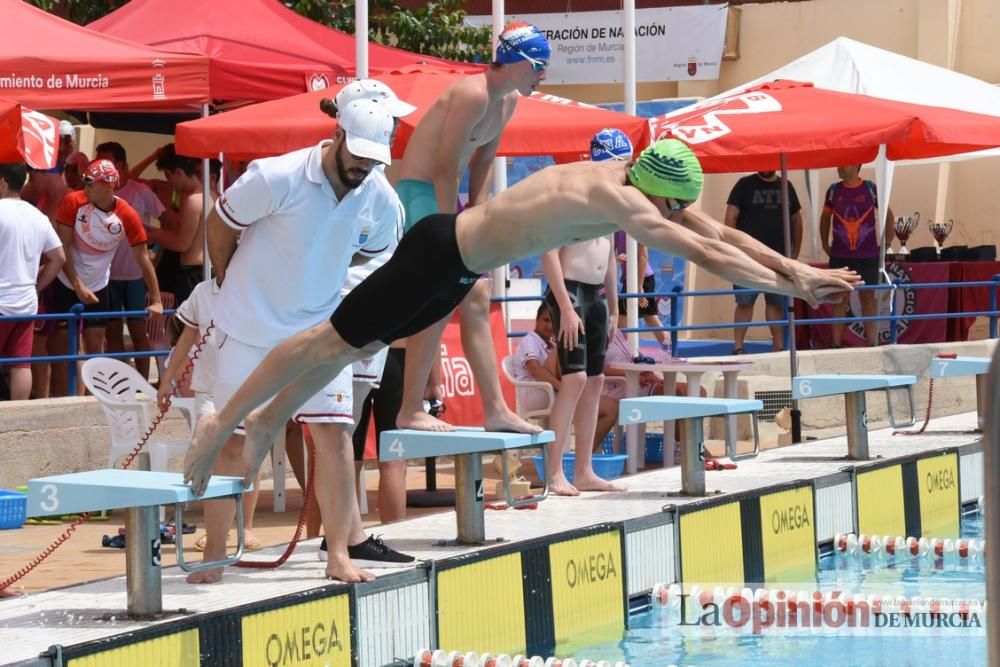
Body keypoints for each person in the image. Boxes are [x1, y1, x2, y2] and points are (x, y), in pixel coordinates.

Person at [183, 138, 862, 500]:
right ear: (652, 192)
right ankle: (227, 420)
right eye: (668, 208)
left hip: (457, 269)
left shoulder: (634, 175)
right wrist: (800, 284)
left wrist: (801, 272)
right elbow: (706, 248)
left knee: (340, 351)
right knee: (324, 340)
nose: (671, 218)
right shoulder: (619, 199)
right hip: (437, 252)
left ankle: (268, 417)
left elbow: (716, 232)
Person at [188, 96, 410, 585]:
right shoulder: (276, 176)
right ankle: (216, 554)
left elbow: (371, 255)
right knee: (230, 440)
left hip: (317, 333)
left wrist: (317, 275)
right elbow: (220, 225)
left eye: (375, 158)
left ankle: (337, 554)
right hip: (248, 329)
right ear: (335, 138)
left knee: (333, 438)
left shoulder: (377, 193)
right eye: (359, 155)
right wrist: (227, 278)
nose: (365, 166)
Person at [387, 22, 549, 434]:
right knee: (444, 292)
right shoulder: (472, 93)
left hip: (446, 197)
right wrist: (449, 232)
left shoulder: (506, 101)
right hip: (416, 191)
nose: (543, 75)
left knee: (477, 293)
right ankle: (410, 408)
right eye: (538, 66)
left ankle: (494, 409)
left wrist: (476, 213)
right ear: (515, 61)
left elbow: (481, 162)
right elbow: (443, 166)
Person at [540, 129, 629, 496]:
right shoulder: (572, 197)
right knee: (574, 379)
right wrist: (564, 305)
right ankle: (554, 471)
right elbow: (547, 251)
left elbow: (607, 255)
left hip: (596, 298)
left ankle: (585, 470)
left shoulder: (608, 201)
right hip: (570, 294)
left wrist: (615, 305)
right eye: (620, 165)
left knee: (594, 381)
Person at [51, 160, 163, 396]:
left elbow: (143, 258)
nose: (85, 186)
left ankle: (94, 400)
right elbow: (64, 247)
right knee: (68, 347)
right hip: (67, 280)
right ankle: (66, 400)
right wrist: (77, 284)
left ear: (109, 187)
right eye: (85, 180)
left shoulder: (127, 215)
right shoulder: (73, 201)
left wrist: (156, 299)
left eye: (90, 182)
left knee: (95, 347)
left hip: (99, 284)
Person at [96, 142, 167, 380]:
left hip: (135, 275)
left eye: (107, 164)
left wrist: (156, 256)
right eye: (99, 164)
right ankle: (120, 383)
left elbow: (167, 224)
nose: (102, 169)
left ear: (122, 165)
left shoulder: (141, 191)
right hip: (107, 275)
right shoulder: (96, 191)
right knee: (113, 332)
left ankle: (143, 384)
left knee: (139, 332)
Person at [0, 162, 65, 400]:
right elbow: (59, 258)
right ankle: (18, 417)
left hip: (2, 302)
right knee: (21, 365)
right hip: (26, 304)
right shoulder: (38, 216)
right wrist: (36, 288)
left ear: (2, 182)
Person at [725, 170, 803, 353]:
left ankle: (778, 346)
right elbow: (730, 218)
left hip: (778, 257)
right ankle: (738, 347)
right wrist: (732, 249)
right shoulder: (743, 184)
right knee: (744, 302)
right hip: (746, 258)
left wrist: (795, 251)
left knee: (776, 303)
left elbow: (797, 220)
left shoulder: (786, 186)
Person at [820, 164, 894, 348]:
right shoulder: (833, 190)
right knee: (839, 299)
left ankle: (872, 344)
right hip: (840, 256)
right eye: (838, 164)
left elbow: (888, 214)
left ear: (856, 165)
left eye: (844, 164)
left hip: (868, 255)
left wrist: (887, 244)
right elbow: (824, 218)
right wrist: (824, 243)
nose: (839, 167)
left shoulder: (870, 188)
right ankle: (836, 345)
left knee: (867, 299)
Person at [149, 144, 211, 305]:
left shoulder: (193, 200)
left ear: (179, 172)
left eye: (169, 176)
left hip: (193, 274)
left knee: (184, 328)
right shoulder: (211, 194)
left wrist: (150, 233)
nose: (169, 182)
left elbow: (181, 244)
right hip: (208, 272)